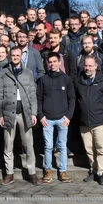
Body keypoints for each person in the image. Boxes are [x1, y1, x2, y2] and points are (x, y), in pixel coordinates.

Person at [0, 46, 39, 185]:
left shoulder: (28, 73)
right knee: (8, 144)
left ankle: (32, 172)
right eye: (13, 55)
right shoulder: (3, 73)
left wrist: (34, 112)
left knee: (28, 144)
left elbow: (32, 94)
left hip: (24, 112)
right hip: (8, 113)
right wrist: (0, 115)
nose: (15, 57)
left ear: (21, 56)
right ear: (9, 56)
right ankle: (9, 173)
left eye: (17, 55)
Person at [75, 55, 103, 186]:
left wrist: (101, 109)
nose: (87, 68)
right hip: (84, 122)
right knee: (89, 149)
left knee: (101, 148)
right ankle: (94, 170)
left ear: (96, 66)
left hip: (100, 120)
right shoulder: (78, 81)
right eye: (86, 65)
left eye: (90, 65)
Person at [38, 52, 75, 183]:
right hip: (47, 119)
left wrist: (69, 116)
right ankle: (48, 170)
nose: (52, 64)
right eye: (50, 62)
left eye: (55, 61)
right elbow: (39, 99)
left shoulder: (66, 79)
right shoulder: (43, 80)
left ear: (60, 62)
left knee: (63, 146)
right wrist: (41, 115)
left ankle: (63, 171)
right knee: (48, 146)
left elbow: (72, 98)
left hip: (62, 119)